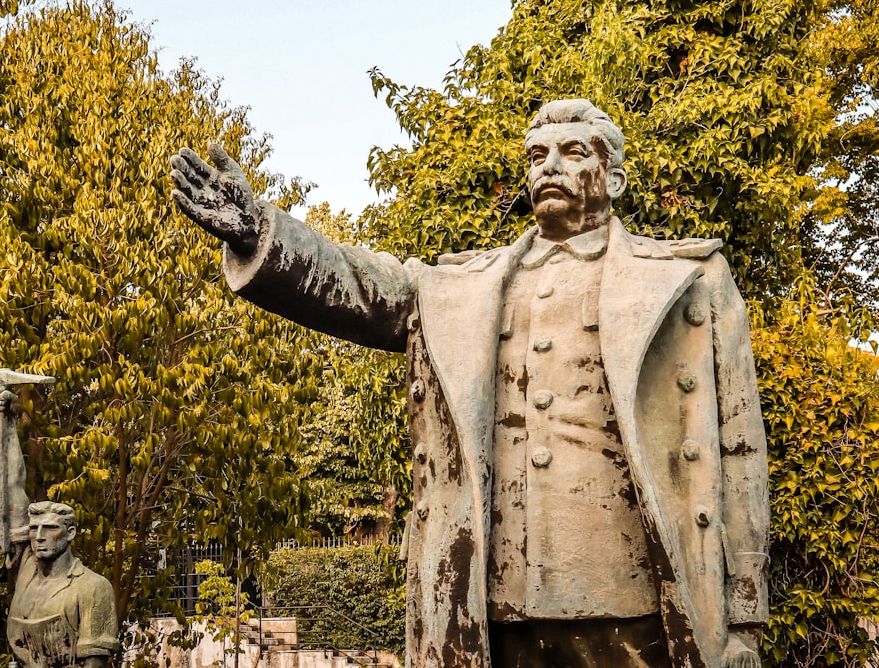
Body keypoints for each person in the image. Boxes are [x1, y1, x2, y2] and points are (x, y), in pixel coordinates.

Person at [170, 98, 768, 668]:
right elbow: (359, 284)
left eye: (574, 151)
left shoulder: (692, 280)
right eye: (538, 156)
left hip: (636, 598)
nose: (551, 167)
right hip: (493, 601)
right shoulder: (462, 287)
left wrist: (743, 620)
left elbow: (740, 451)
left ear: (613, 179)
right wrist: (259, 230)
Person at [0, 385, 119, 668]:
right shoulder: (27, 571)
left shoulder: (93, 589)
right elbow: (12, 489)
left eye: (49, 529)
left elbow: (93, 664)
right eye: (34, 529)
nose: (38, 537)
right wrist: (7, 421)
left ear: (70, 533)